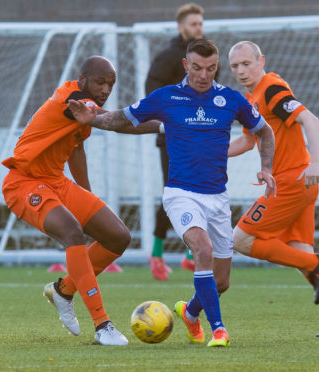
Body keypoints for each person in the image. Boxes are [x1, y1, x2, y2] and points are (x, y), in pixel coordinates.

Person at [68, 39, 276, 347]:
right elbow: (121, 118)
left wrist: (267, 168)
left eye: (210, 68)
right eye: (197, 68)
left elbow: (264, 131)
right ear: (185, 65)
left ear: (216, 66)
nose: (204, 75)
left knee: (221, 282)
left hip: (217, 198)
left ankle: (190, 313)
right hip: (181, 193)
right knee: (202, 251)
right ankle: (218, 328)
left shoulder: (231, 100)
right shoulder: (167, 97)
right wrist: (93, 119)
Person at [2, 56, 159, 346]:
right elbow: (118, 123)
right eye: (100, 82)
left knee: (118, 237)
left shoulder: (84, 108)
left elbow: (75, 150)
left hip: (56, 182)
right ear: (83, 79)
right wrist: (165, 126)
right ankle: (103, 325)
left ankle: (62, 291)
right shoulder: (73, 99)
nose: (105, 89)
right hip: (23, 182)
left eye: (110, 84)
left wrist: (85, 194)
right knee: (73, 232)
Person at [228, 41, 319, 337]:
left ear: (261, 60)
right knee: (300, 251)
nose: (240, 70)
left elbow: (310, 119)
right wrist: (210, 153)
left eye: (246, 63)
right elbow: (248, 142)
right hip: (294, 184)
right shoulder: (250, 99)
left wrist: (316, 163)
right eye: (235, 66)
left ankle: (316, 264)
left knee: (240, 239)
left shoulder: (272, 89)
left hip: (292, 182)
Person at [145, 2, 205, 280]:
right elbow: (151, 91)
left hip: (199, 137)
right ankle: (156, 255)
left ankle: (191, 255)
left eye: (201, 23)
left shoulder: (205, 57)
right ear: (181, 28)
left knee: (199, 191)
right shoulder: (169, 57)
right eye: (194, 24)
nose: (199, 28)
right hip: (172, 138)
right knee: (175, 193)